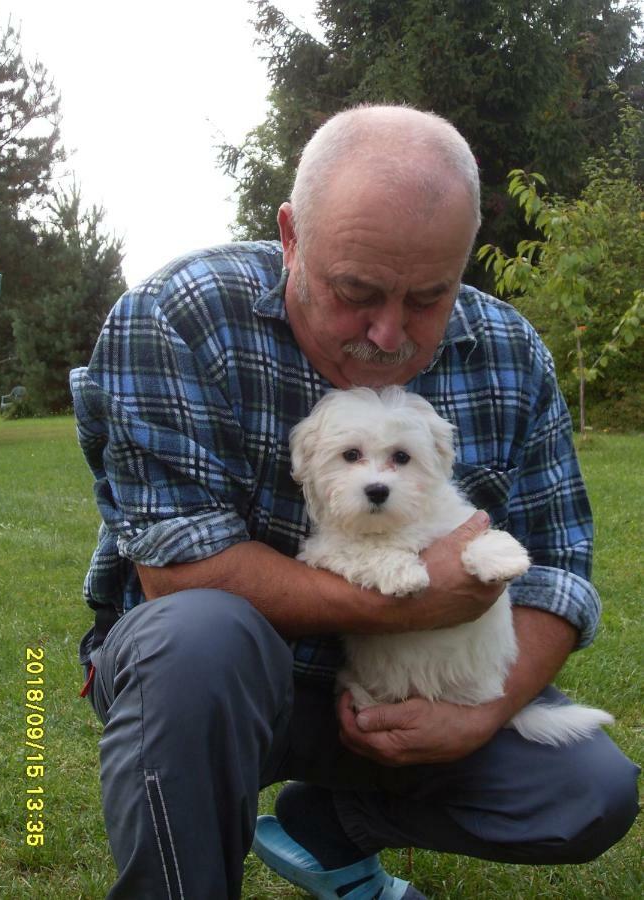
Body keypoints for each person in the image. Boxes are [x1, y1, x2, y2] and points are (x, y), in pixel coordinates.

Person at [71, 106, 639, 900]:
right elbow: (181, 573)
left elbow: (558, 571)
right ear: (292, 238)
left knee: (586, 791)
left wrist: (484, 711)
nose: (386, 333)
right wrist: (412, 602)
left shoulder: (510, 353)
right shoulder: (178, 316)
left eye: (427, 297)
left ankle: (330, 826)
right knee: (199, 637)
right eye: (355, 291)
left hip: (410, 691)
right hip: (212, 681)